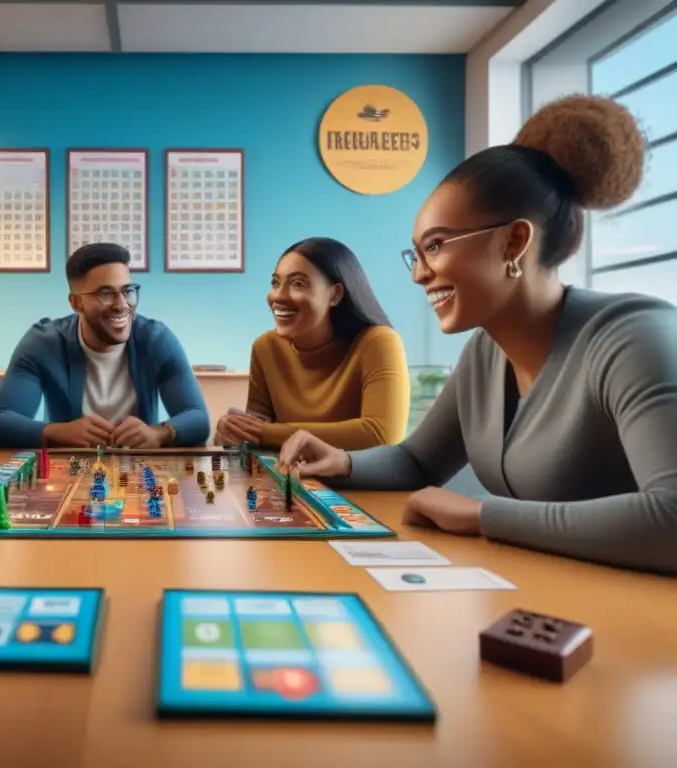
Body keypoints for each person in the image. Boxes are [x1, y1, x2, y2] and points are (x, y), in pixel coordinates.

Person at [277, 95, 677, 575]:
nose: (419, 275)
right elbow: (418, 462)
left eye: (436, 246)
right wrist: (343, 462)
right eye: (416, 254)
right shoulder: (485, 352)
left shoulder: (635, 339)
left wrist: (485, 515)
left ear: (514, 242)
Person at [0, 242, 210, 448]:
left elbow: (198, 418)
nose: (122, 305)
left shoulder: (156, 339)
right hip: (72, 471)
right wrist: (57, 432)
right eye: (105, 294)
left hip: (138, 474)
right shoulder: (44, 343)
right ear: (77, 302)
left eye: (127, 291)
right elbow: (0, 422)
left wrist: (159, 434)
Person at [215, 237, 409, 450]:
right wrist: (233, 432)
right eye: (275, 283)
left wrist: (264, 433)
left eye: (298, 284)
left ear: (335, 295)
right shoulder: (265, 348)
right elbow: (254, 432)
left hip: (359, 482)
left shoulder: (379, 342)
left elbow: (381, 434)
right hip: (292, 479)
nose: (278, 296)